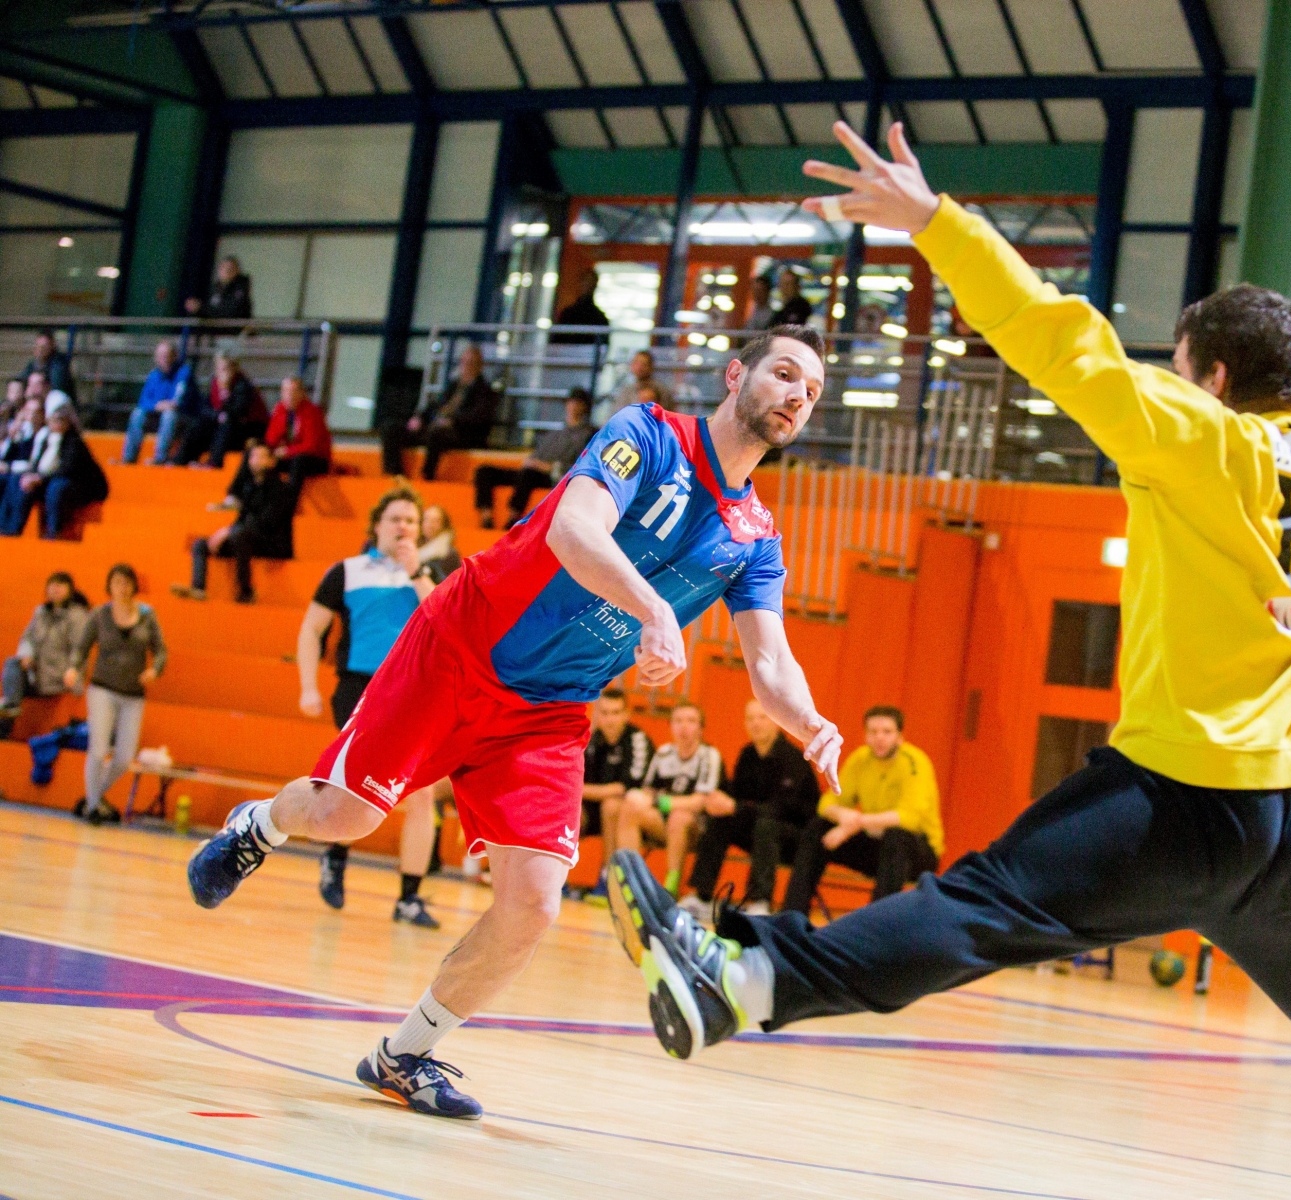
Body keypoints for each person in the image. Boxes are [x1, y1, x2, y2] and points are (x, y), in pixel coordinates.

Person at [600, 120, 1291, 1065]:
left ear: (1212, 379)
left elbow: (1062, 341)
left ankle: (743, 982)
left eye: (1177, 366)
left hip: (1180, 798)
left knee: (986, 905)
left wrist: (935, 222)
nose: (1169, 379)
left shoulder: (1200, 438)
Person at [185, 324, 842, 1119]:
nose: (795, 397)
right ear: (737, 374)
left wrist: (808, 720)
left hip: (549, 711)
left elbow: (769, 663)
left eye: (811, 392)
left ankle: (405, 1055)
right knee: (346, 814)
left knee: (534, 902)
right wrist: (653, 609)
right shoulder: (647, 434)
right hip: (461, 645)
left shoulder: (756, 540)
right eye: (783, 373)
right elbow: (573, 529)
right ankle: (258, 826)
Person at [295, 487, 446, 928]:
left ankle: (409, 898)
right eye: (395, 518)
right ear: (377, 525)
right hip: (360, 688)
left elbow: (444, 620)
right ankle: (336, 854)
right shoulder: (347, 571)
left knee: (420, 795)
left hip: (416, 692)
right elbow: (311, 630)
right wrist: (308, 686)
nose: (403, 526)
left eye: (412, 521)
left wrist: (417, 571)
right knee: (357, 783)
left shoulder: (432, 574)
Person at [780, 704, 939, 918]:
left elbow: (909, 819)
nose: (879, 738)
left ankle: (874, 925)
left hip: (917, 851)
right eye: (873, 732)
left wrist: (854, 824)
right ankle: (791, 917)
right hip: (877, 847)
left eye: (887, 732)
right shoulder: (860, 759)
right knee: (818, 828)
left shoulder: (915, 763)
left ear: (900, 736)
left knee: (897, 837)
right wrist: (843, 817)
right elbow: (827, 803)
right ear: (865, 735)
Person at [684, 697, 820, 919]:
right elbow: (736, 797)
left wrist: (735, 806)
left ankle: (759, 901)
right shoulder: (747, 755)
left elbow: (783, 809)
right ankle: (702, 896)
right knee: (721, 818)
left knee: (766, 825)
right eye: (750, 719)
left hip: (795, 838)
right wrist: (720, 800)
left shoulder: (793, 759)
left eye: (762, 718)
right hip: (759, 831)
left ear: (777, 722)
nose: (756, 723)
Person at [65, 564, 166, 825]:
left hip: (133, 694)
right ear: (109, 586)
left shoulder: (147, 615)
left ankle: (92, 798)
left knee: (124, 758)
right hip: (102, 689)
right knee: (97, 751)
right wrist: (73, 668)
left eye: (126, 582)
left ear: (134, 586)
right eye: (117, 582)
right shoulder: (100, 615)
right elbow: (82, 647)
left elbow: (161, 651)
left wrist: (154, 669)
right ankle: (94, 808)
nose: (122, 588)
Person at [612, 700, 728, 898]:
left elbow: (701, 801)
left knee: (679, 817)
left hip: (698, 828)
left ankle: (670, 888)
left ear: (701, 728)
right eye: (678, 721)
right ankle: (629, 882)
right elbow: (648, 790)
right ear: (671, 726)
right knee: (629, 807)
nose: (684, 727)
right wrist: (641, 798)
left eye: (691, 721)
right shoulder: (664, 753)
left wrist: (661, 802)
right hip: (664, 823)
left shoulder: (709, 755)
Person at [174, 441, 297, 604]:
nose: (257, 460)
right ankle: (198, 588)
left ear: (272, 461)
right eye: (253, 456)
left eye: (262, 457)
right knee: (201, 544)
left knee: (239, 535)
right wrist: (228, 532)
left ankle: (245, 591)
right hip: (247, 539)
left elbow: (268, 523)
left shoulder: (281, 489)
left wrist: (231, 532)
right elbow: (242, 519)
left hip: (273, 543)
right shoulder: (249, 487)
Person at [472, 388, 595, 529]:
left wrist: (545, 466)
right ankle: (486, 517)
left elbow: (578, 467)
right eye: (571, 402)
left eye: (578, 403)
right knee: (485, 471)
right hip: (533, 469)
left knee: (528, 475)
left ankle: (513, 517)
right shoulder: (555, 433)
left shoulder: (588, 435)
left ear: (585, 407)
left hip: (551, 476)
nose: (573, 406)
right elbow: (535, 457)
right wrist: (532, 463)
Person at [0, 392, 109, 539]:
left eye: (61, 420)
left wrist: (40, 479)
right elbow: (37, 463)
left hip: (77, 486)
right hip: (49, 479)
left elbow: (68, 469)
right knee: (17, 480)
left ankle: (53, 532)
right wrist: (31, 476)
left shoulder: (73, 442)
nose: (58, 423)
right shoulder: (46, 438)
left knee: (56, 487)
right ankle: (10, 529)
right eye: (55, 419)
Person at [381, 345, 500, 480]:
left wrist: (452, 421)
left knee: (437, 432)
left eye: (471, 363)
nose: (466, 367)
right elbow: (435, 406)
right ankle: (395, 474)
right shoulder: (453, 386)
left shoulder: (485, 391)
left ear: (479, 366)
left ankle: (427, 475)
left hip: (460, 434)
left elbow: (478, 417)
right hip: (434, 429)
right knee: (391, 427)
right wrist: (418, 418)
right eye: (464, 362)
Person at [0, 572, 90, 739]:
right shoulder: (40, 612)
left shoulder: (77, 616)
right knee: (12, 664)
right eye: (52, 584)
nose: (55, 588)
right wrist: (27, 655)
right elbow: (27, 638)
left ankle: (7, 718)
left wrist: (72, 672)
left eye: (61, 584)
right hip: (38, 674)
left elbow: (80, 650)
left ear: (70, 590)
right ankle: (8, 714)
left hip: (60, 678)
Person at [580, 687, 652, 872]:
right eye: (604, 713)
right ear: (597, 715)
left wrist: (580, 790)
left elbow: (625, 788)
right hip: (594, 808)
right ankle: (556, 877)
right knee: (568, 807)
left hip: (633, 813)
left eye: (616, 713)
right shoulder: (593, 741)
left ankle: (608, 875)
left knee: (611, 805)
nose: (610, 719)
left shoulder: (637, 740)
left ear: (626, 714)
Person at [172, 349, 266, 469]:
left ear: (234, 368)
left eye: (225, 368)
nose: (221, 372)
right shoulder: (215, 383)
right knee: (199, 424)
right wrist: (217, 416)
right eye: (218, 368)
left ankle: (214, 463)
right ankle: (181, 459)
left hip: (249, 428)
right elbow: (205, 408)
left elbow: (237, 413)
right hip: (224, 425)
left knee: (226, 424)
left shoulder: (243, 386)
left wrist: (225, 393)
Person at [122, 340, 192, 466]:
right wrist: (157, 405)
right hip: (157, 414)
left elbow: (178, 400)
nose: (163, 359)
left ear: (174, 356)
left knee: (169, 415)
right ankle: (129, 458)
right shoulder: (153, 376)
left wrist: (167, 405)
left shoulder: (184, 373)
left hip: (182, 417)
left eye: (166, 355)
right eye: (160, 356)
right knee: (138, 414)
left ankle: (160, 458)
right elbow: (143, 401)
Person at [265, 376, 332, 484]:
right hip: (290, 456)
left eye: (293, 391)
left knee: (299, 461)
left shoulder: (312, 412)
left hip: (315, 460)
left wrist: (288, 451)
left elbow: (311, 446)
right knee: (258, 456)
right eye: (286, 391)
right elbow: (270, 439)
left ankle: (290, 498)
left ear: (302, 393)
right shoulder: (280, 410)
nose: (289, 395)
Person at [550, 268, 610, 348]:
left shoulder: (600, 318)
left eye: (590, 282)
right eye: (586, 282)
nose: (587, 285)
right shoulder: (567, 314)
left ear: (595, 285)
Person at [605, 350, 666, 423]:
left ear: (651, 366)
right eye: (636, 363)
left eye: (644, 364)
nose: (639, 367)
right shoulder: (625, 390)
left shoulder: (662, 391)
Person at [186, 255, 253, 320]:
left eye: (230, 269)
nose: (226, 271)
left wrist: (202, 308)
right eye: (223, 267)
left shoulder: (241, 289)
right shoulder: (215, 288)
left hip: (233, 329)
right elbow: (209, 312)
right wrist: (196, 310)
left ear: (237, 271)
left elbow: (231, 313)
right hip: (213, 329)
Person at [14, 330, 73, 396]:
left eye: (44, 346)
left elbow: (57, 386)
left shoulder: (59, 362)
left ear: (52, 346)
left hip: (55, 398)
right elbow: (21, 378)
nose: (40, 350)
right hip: (36, 397)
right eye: (38, 346)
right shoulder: (34, 363)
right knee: (15, 387)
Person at [417, 504, 461, 579]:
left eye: (435, 521)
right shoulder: (414, 547)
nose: (430, 524)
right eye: (426, 519)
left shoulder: (449, 554)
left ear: (444, 525)